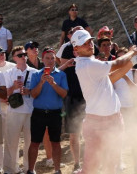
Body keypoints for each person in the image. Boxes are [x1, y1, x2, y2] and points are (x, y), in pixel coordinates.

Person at [72, 29, 137, 174]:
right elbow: (118, 62)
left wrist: (131, 63)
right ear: (76, 49)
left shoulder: (90, 63)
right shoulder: (88, 65)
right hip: (97, 122)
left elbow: (110, 79)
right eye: (84, 43)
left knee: (111, 165)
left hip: (113, 119)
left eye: (89, 41)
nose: (89, 44)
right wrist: (132, 52)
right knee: (91, 168)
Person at [27, 48, 68, 174]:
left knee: (55, 142)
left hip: (55, 113)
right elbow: (33, 94)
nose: (50, 61)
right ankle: (31, 170)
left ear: (55, 59)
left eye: (52, 58)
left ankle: (57, 170)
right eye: (47, 58)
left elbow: (64, 94)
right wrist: (41, 82)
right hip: (38, 113)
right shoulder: (36, 75)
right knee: (34, 143)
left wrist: (53, 84)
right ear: (43, 60)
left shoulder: (61, 75)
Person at [3, 46, 38, 174]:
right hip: (14, 111)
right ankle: (10, 170)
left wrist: (29, 91)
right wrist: (13, 87)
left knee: (30, 142)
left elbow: (39, 92)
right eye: (20, 55)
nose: (23, 57)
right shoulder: (8, 73)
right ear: (14, 58)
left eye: (24, 54)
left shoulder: (35, 72)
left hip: (31, 111)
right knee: (11, 142)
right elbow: (4, 94)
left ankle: (29, 168)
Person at [58, 26, 86, 172]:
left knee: (90, 131)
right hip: (73, 96)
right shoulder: (67, 47)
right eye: (75, 32)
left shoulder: (88, 47)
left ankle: (90, 161)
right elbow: (60, 66)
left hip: (89, 95)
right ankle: (77, 163)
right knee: (74, 133)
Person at [114, 47, 137, 173]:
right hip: (118, 110)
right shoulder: (113, 73)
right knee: (118, 139)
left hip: (132, 109)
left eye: (123, 57)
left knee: (135, 138)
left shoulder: (135, 72)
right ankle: (119, 163)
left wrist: (125, 78)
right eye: (119, 58)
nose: (122, 60)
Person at [0, 45, 15, 173]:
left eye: (3, 53)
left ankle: (12, 165)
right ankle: (0, 166)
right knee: (0, 139)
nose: (2, 55)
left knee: (12, 138)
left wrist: (11, 98)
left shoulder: (12, 66)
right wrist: (1, 99)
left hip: (13, 106)